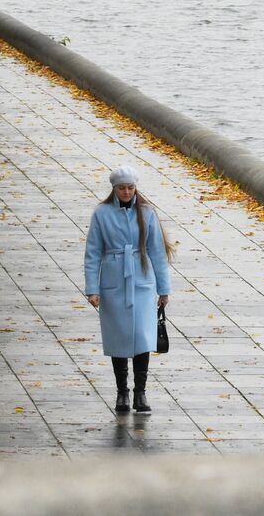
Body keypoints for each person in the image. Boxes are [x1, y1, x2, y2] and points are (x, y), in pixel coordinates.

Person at [84, 165, 173, 414]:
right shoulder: (101, 214)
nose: (126, 192)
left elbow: (157, 252)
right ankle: (122, 391)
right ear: (114, 189)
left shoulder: (147, 212)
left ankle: (140, 392)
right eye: (122, 188)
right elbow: (92, 253)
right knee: (119, 337)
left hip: (142, 281)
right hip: (114, 280)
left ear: (136, 188)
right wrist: (92, 288)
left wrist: (164, 289)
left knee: (144, 337)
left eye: (130, 188)